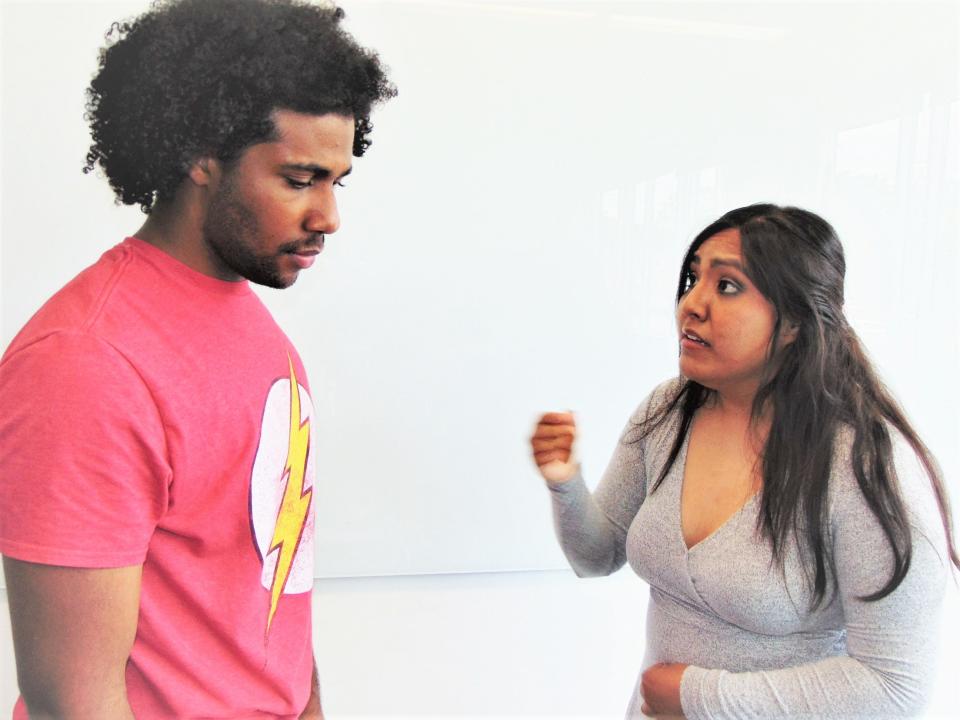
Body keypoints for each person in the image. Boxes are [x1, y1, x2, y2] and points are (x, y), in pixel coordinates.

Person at [0, 1, 394, 717]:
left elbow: (272, 601)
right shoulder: (86, 364)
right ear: (201, 155)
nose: (328, 217)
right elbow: (72, 700)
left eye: (337, 181)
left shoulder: (266, 339)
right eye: (301, 179)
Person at [530, 204, 959, 719]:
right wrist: (564, 483)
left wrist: (699, 697)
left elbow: (895, 689)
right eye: (692, 278)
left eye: (727, 285)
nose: (692, 303)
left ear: (796, 320)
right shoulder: (668, 412)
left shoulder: (866, 467)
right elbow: (596, 557)